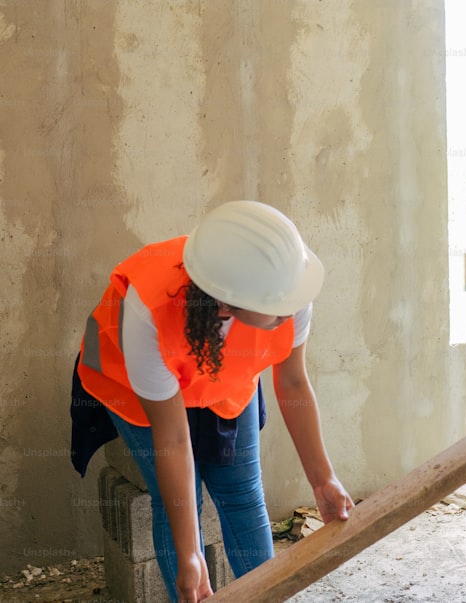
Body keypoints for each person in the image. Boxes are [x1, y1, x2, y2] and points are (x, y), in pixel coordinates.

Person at [70, 200, 354, 603]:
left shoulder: (287, 287)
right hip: (134, 387)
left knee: (240, 491)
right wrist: (190, 555)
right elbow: (172, 435)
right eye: (276, 309)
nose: (290, 311)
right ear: (224, 303)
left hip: (225, 382)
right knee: (181, 505)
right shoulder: (147, 311)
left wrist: (323, 480)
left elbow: (292, 382)